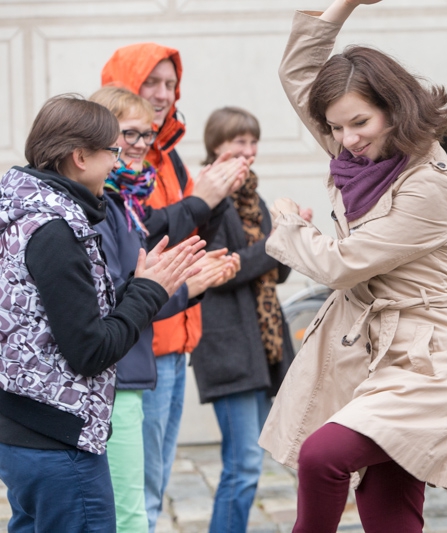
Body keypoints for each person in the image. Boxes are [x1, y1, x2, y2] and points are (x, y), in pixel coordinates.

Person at [258, 1, 447, 531]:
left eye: (359, 122)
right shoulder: (359, 155)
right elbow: (299, 75)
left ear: (395, 108)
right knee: (389, 514)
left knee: (323, 457)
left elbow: (342, 265)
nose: (347, 139)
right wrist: (343, 5)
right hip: (371, 354)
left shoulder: (427, 184)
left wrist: (290, 227)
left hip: (427, 362)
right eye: (336, 128)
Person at [0, 94, 205, 532]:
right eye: (112, 151)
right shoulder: (55, 229)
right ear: (79, 157)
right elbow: (90, 350)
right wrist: (149, 293)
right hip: (58, 445)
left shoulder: (21, 212)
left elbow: (53, 316)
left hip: (22, 432)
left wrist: (138, 286)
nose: (119, 163)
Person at [101, 43, 248, 530]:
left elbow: (184, 231)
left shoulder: (167, 158)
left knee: (152, 482)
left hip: (174, 330)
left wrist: (218, 197)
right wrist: (202, 200)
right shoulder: (109, 170)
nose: (164, 94)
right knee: (136, 493)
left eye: (170, 84)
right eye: (152, 83)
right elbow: (141, 238)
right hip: (142, 338)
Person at [192, 106, 308, 532]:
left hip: (260, 346)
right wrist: (274, 244)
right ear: (216, 146)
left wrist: (290, 239)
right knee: (242, 467)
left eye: (253, 141)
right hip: (228, 347)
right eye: (239, 141)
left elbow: (272, 271)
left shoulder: (251, 195)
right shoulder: (207, 197)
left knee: (247, 465)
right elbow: (218, 271)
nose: (249, 150)